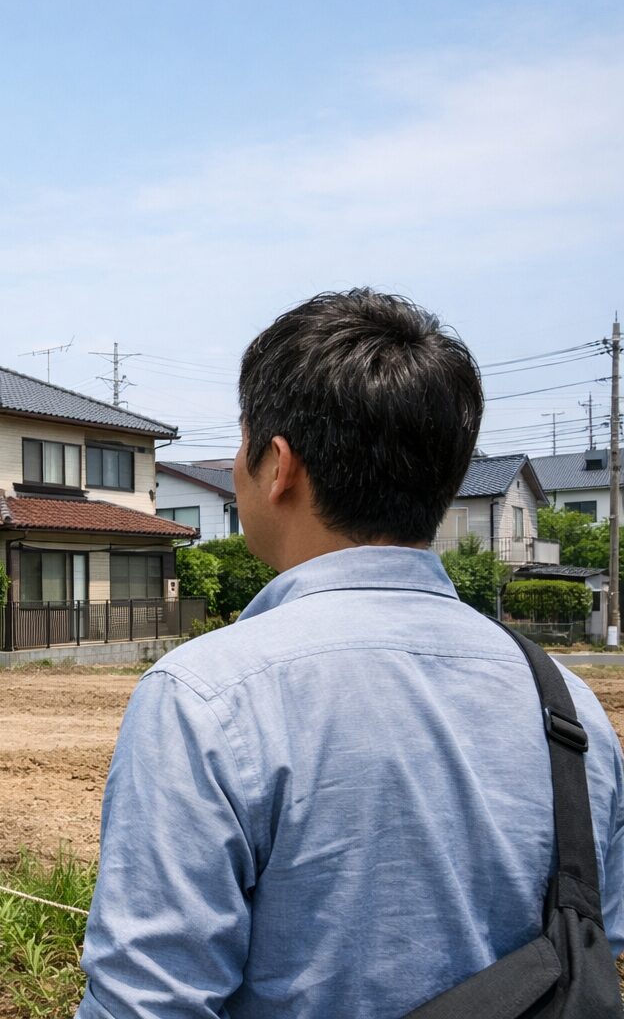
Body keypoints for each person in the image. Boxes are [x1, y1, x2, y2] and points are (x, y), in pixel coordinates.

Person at [76, 289, 624, 1018]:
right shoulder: (565, 704)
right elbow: (598, 943)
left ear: (278, 465)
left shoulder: (207, 697)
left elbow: (147, 1002)